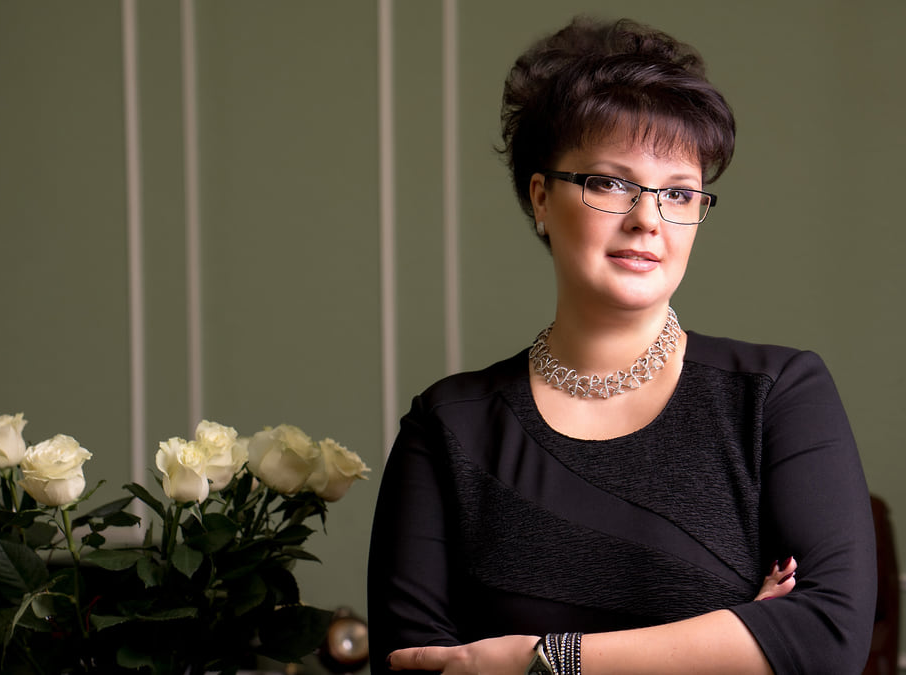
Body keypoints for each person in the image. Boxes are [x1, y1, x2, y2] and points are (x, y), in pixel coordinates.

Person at [368, 16, 876, 674]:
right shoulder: (448, 427)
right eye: (611, 183)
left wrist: (538, 659)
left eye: (679, 193)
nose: (647, 220)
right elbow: (415, 665)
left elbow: (827, 641)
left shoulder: (777, 394)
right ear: (541, 198)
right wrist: (734, 641)